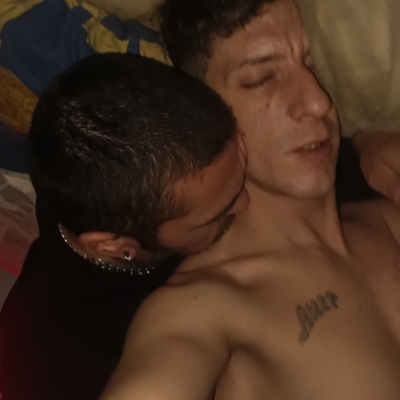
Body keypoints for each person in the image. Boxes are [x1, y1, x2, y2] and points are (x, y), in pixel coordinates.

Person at [0, 3, 397, 400]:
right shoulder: (206, 310)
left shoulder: (377, 194)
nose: (318, 102)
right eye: (260, 79)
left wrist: (369, 136)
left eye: (314, 62)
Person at [0, 53, 250, 400]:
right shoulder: (67, 375)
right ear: (115, 246)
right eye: (219, 214)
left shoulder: (92, 185)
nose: (246, 202)